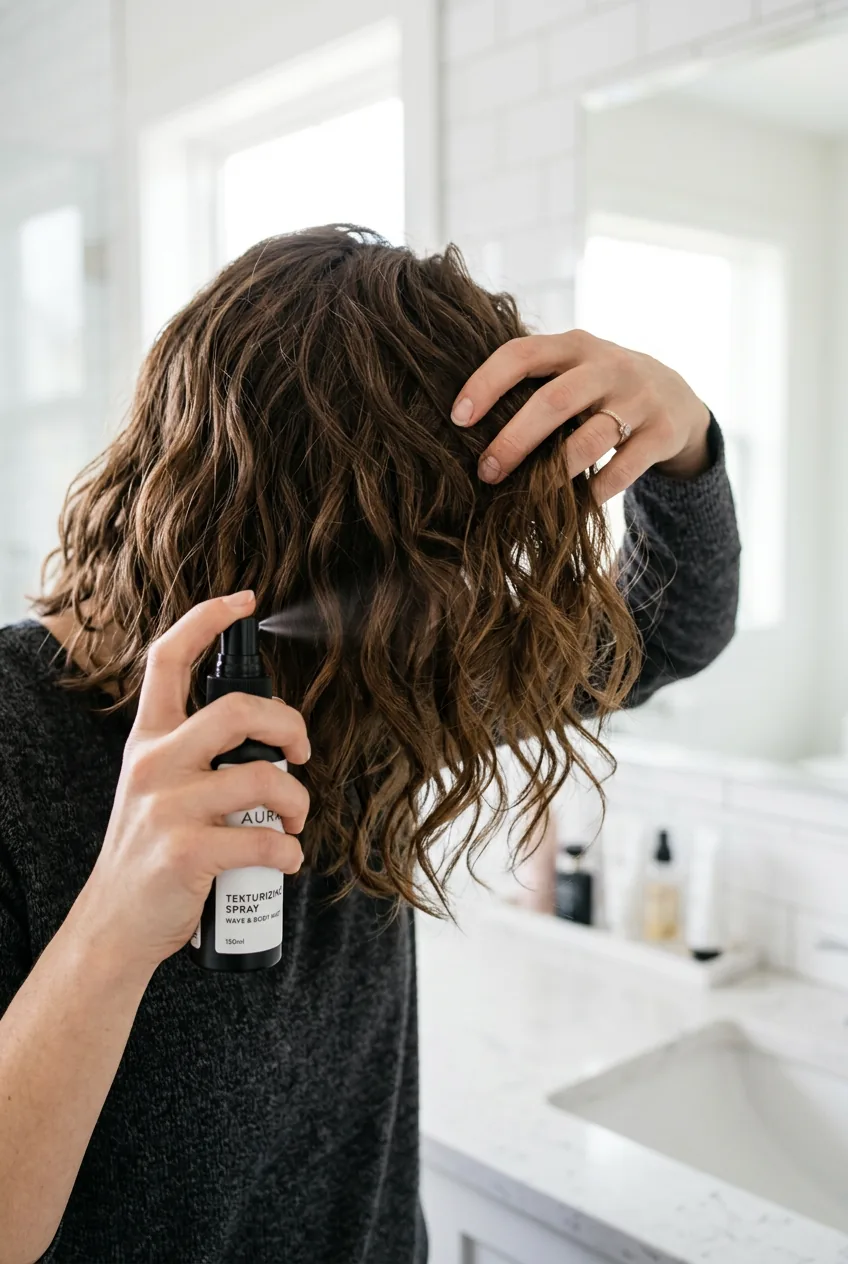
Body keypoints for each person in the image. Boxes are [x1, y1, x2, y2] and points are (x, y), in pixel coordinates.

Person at [0, 225, 739, 1264]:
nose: (453, 621)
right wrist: (112, 928)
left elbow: (666, 630)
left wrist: (688, 436)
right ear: (269, 522)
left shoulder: (366, 683)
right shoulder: (12, 738)